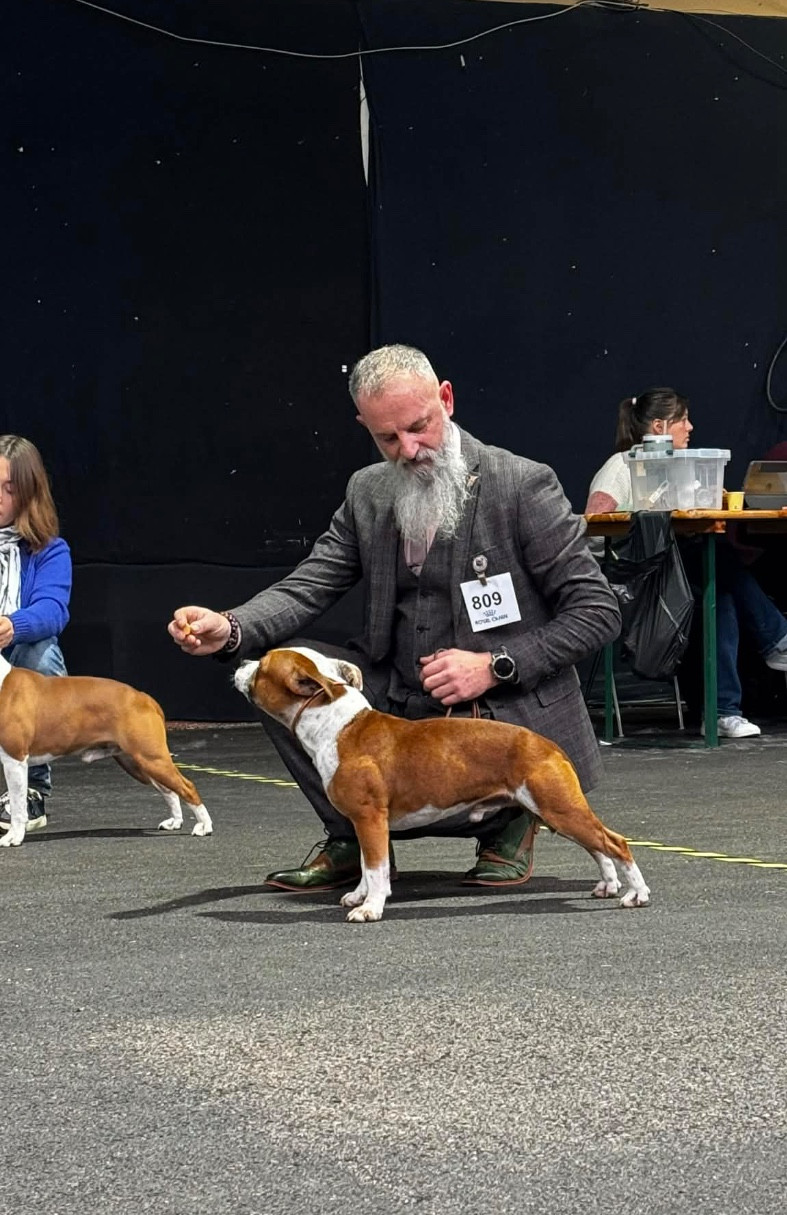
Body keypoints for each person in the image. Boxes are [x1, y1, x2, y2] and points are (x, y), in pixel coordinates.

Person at [167, 344, 621, 893]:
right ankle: (349, 830)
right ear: (365, 426)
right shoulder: (367, 491)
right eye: (388, 437)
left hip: (496, 700)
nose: (408, 449)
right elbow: (311, 583)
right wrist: (231, 626)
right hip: (399, 689)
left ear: (446, 399)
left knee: (496, 736)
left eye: (419, 427)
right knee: (274, 679)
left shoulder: (521, 485)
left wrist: (496, 664)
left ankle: (511, 821)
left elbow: (598, 611)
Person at [587, 389, 787, 738]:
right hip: (631, 583)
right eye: (683, 420)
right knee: (719, 568)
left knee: (718, 590)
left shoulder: (673, 470)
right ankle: (777, 642)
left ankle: (724, 712)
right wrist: (641, 533)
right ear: (661, 425)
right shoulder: (622, 466)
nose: (690, 427)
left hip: (665, 576)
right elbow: (592, 526)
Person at [0, 435, 72, 831]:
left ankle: (31, 793)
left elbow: (52, 611)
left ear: (28, 495)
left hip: (14, 662)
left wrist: (13, 626)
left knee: (39, 652)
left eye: (9, 490)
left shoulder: (50, 550)